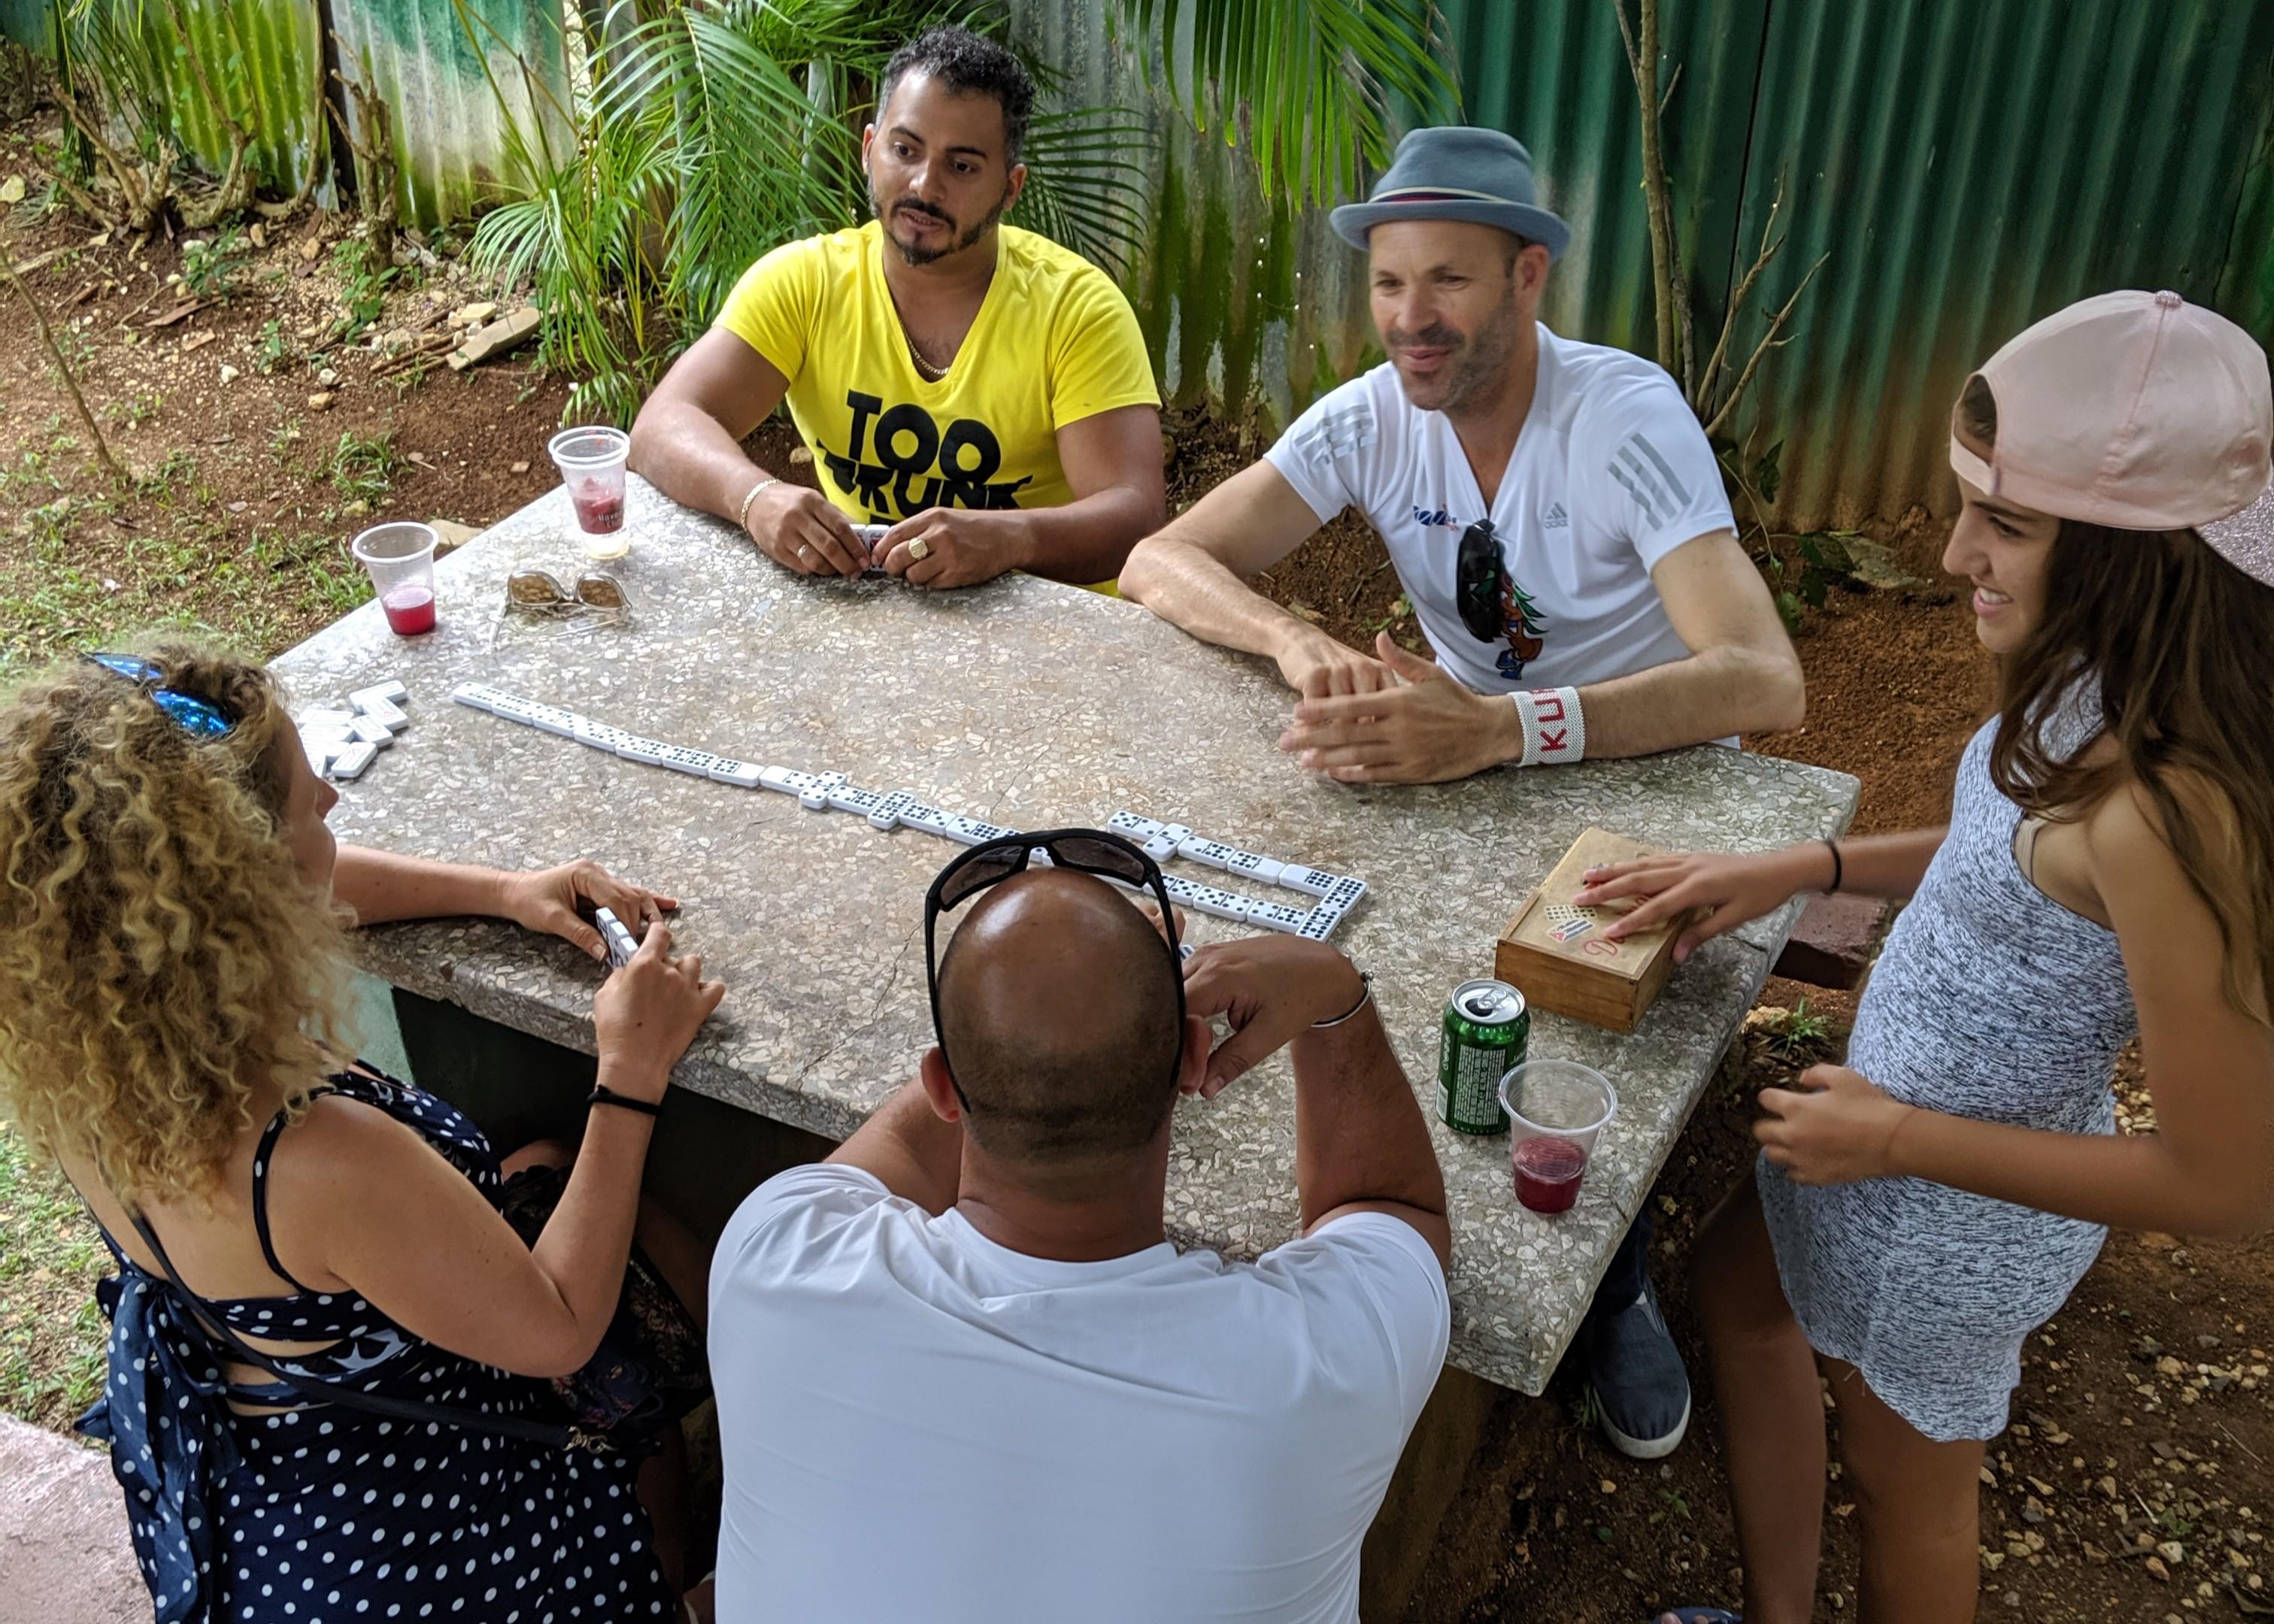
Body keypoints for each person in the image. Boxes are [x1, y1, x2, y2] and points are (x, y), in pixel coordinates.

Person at [1578, 292, 2274, 1624]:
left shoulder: (2170, 816)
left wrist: (1894, 1137)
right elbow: (1993, 849)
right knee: (1735, 1295)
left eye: (2004, 522)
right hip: (1870, 1131)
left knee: (1911, 1502)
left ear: (2140, 556)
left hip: (1944, 1225)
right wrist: (1796, 867)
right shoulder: (2087, 673)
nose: (1953, 552)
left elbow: (2225, 1181)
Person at [1120, 123, 1806, 1459]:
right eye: (1388, 282)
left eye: (1447, 280)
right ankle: (1382, 1217)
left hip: (1649, 778)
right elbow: (1162, 559)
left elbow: (1761, 679)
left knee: (1579, 1032)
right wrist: (1292, 640)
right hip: (1472, 753)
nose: (1408, 318)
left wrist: (1504, 729)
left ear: (1526, 278)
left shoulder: (1623, 417)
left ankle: (1610, 1280)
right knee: (1382, 950)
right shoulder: (1372, 414)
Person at [0, 644, 729, 1624]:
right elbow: (559, 1327)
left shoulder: (100, 1051)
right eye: (311, 803)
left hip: (275, 1435)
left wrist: (502, 890)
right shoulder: (317, 1156)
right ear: (244, 883)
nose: (333, 800)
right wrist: (631, 1074)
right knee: (639, 1347)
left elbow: (322, 881)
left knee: (541, 1169)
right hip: (428, 1528)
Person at [707, 832, 1451, 1623]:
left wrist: (1047, 1006)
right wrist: (1332, 991)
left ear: (941, 1087)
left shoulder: (775, 1260)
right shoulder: (1319, 1374)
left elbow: (906, 1144)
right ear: (1193, 1060)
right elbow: (1393, 1210)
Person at [629, 26, 1166, 590]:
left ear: (1011, 188)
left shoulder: (1076, 309)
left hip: (1047, 627)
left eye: (962, 166)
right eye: (905, 150)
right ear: (869, 149)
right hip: (866, 611)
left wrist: (1011, 539)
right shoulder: (807, 283)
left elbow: (1134, 515)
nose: (925, 186)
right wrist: (755, 498)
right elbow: (661, 426)